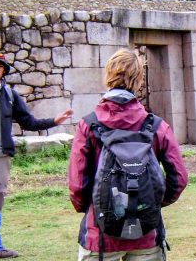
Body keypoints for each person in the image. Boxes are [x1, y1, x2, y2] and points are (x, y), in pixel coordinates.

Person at [68, 49, 188, 261]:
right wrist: (153, 203)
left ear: (107, 76)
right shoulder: (156, 126)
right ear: (139, 80)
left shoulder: (88, 125)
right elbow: (179, 179)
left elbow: (78, 185)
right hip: (147, 234)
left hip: (100, 237)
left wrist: (95, 208)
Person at [0, 52, 73, 261]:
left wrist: (54, 121)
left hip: (1, 157)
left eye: (0, 66)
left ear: (4, 71)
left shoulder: (10, 95)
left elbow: (29, 122)